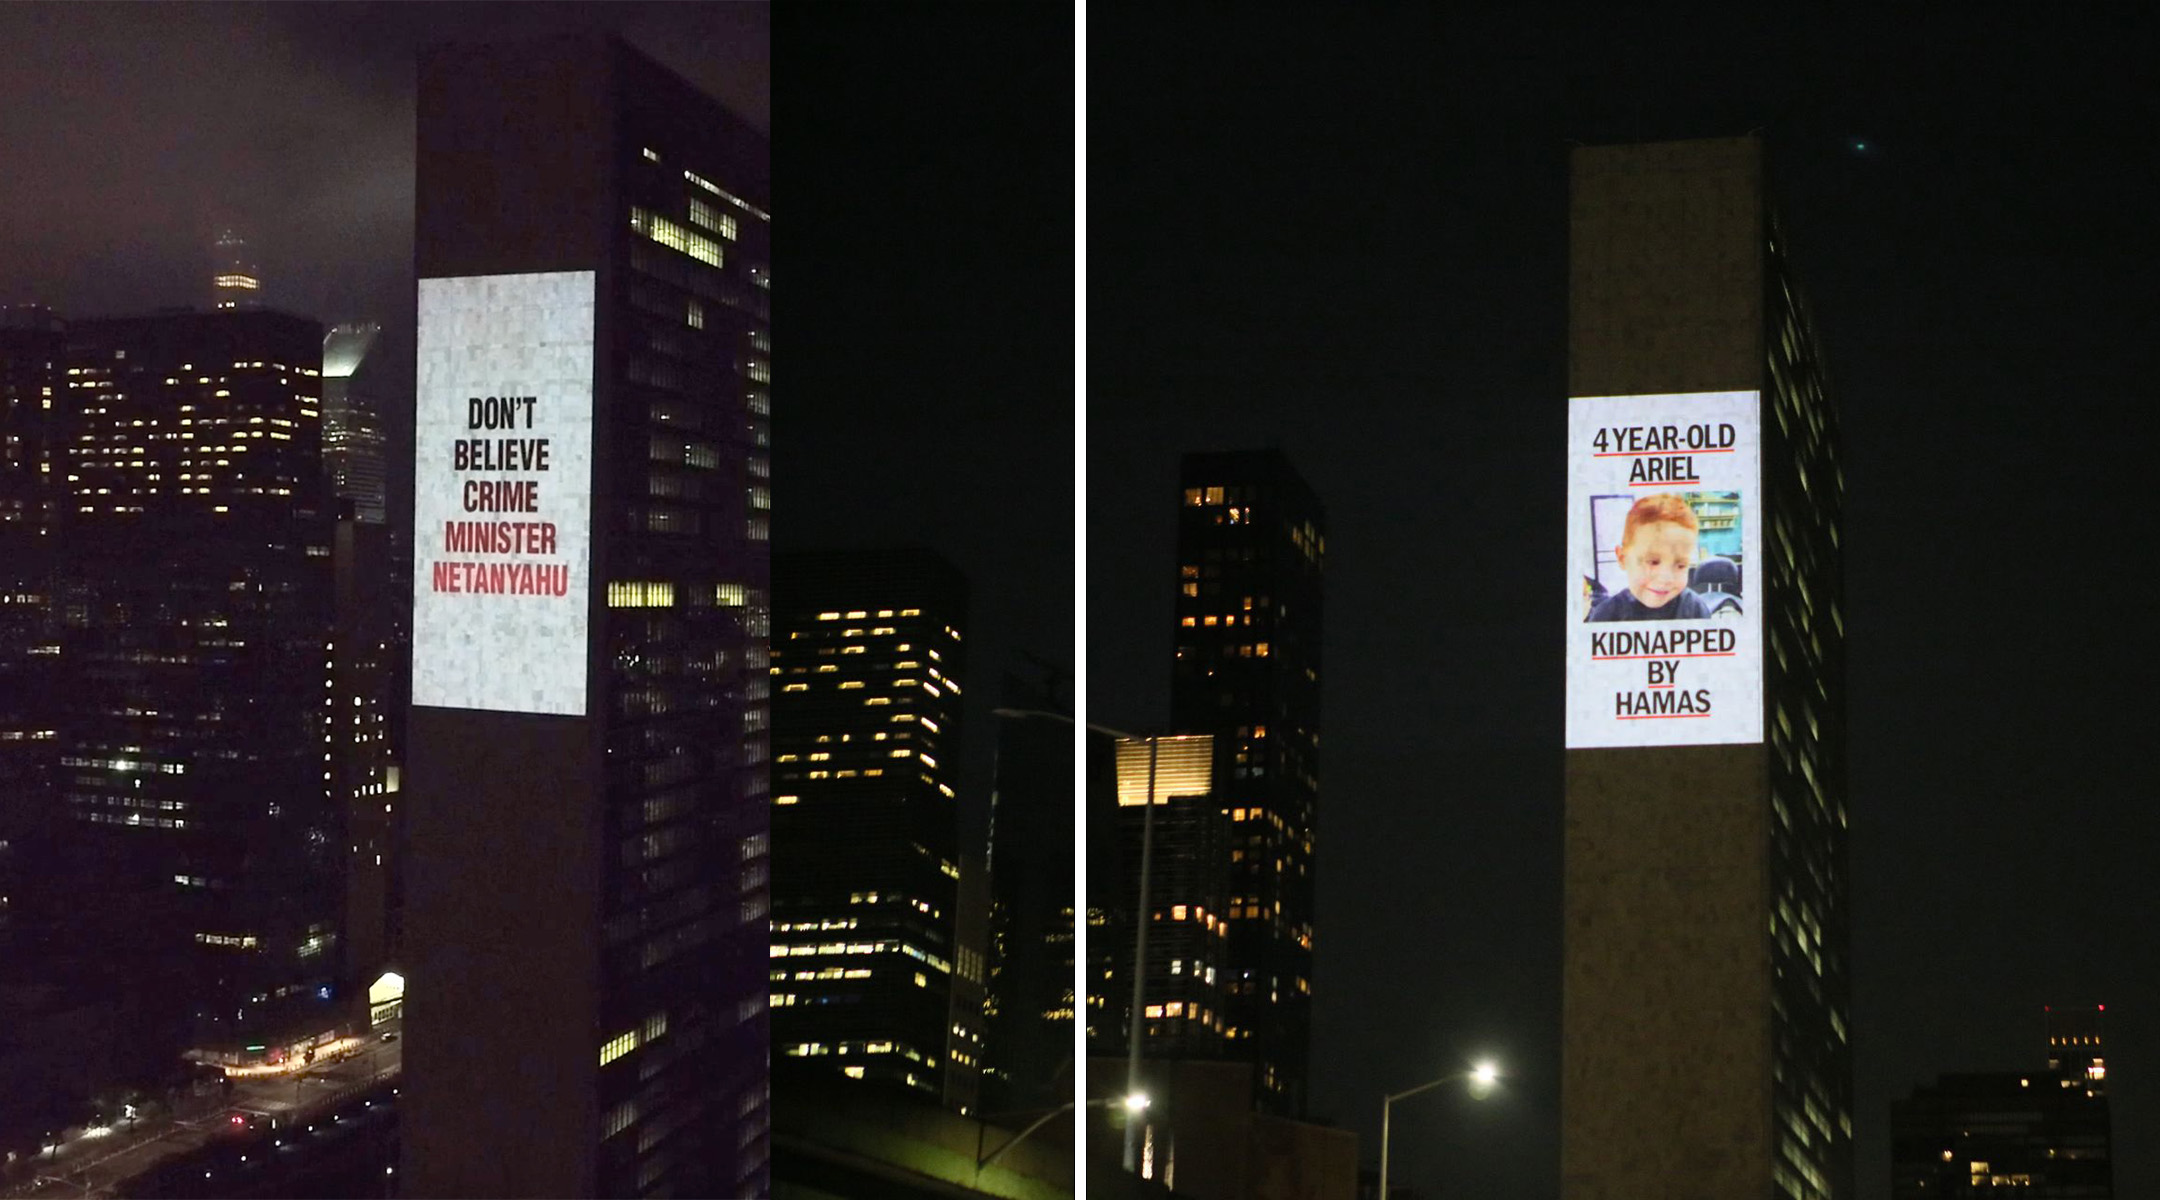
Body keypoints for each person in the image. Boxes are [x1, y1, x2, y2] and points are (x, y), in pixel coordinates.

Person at [1585, 493, 1712, 621]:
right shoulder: (1606, 615)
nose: (1666, 578)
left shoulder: (1696, 610)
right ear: (1623, 558)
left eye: (1680, 566)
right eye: (1653, 562)